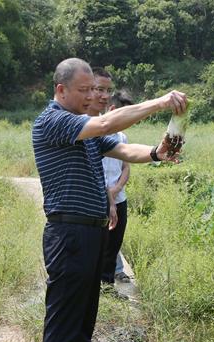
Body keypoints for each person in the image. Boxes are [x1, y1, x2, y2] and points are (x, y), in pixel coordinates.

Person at [32, 57, 186, 342]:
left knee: (86, 308)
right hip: (68, 232)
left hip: (92, 229)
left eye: (94, 90)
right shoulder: (53, 121)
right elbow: (105, 123)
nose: (92, 97)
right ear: (61, 90)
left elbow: (123, 150)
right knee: (64, 314)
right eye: (84, 90)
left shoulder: (85, 130)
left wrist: (156, 153)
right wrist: (159, 103)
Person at [86, 69, 133, 288]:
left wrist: (117, 190)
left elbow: (126, 165)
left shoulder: (121, 137)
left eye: (107, 91)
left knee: (114, 243)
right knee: (99, 245)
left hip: (118, 196)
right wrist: (109, 197)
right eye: (99, 90)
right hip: (101, 199)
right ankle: (99, 285)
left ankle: (108, 285)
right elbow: (99, 172)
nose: (104, 96)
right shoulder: (92, 131)